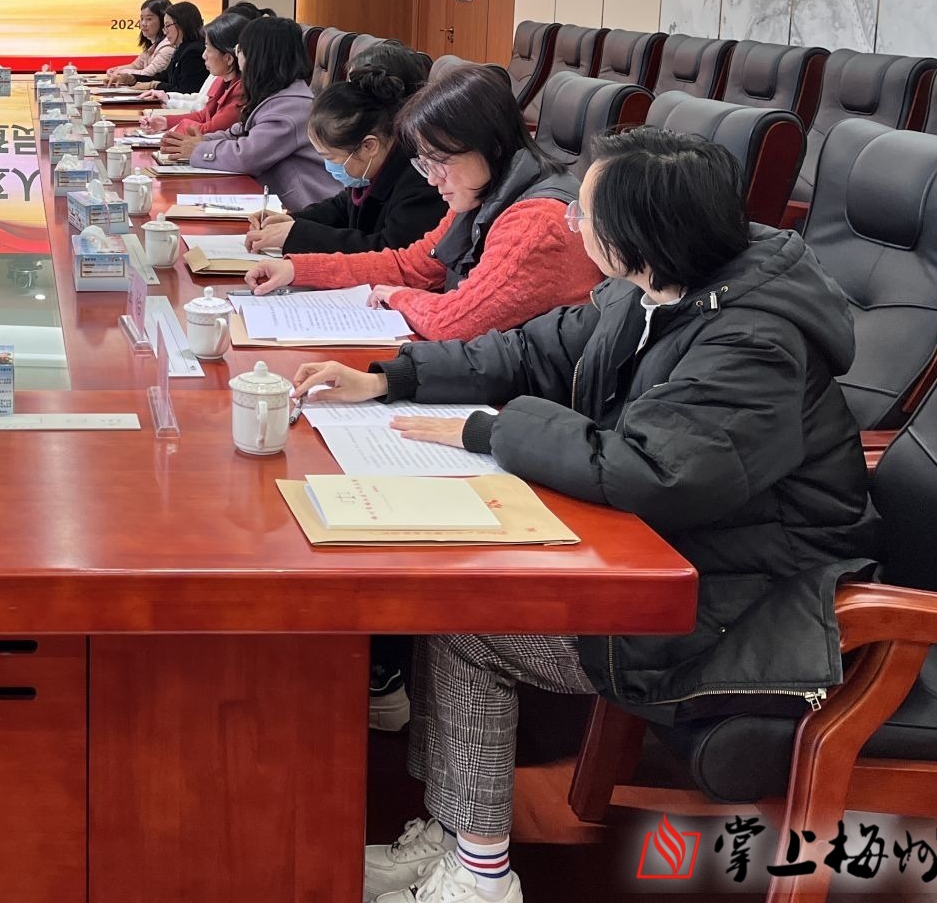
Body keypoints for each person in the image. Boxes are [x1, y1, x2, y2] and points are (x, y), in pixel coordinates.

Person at [292, 129, 878, 903]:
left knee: (471, 625)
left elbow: (655, 472)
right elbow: (532, 353)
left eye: (584, 214)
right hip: (681, 554)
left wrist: (492, 430)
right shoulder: (651, 287)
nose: (570, 225)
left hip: (754, 599)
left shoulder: (753, 340)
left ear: (638, 230)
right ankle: (453, 831)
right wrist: (389, 378)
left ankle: (480, 875)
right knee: (457, 606)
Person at [244, 64, 601, 341]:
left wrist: (397, 297)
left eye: (440, 162)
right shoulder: (483, 193)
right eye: (425, 164)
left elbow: (455, 322)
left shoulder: (537, 222)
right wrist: (298, 270)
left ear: (490, 146)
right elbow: (412, 266)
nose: (431, 179)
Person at [246, 43, 446, 257]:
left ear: (369, 146)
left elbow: (389, 252)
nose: (351, 95)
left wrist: (299, 235)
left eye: (330, 157)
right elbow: (344, 207)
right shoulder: (374, 161)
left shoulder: (422, 178)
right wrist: (294, 221)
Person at [183, 16, 336, 209]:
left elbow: (247, 156)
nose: (238, 57)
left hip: (305, 210)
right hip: (278, 203)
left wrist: (199, 149)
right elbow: (238, 132)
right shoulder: (275, 94)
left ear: (257, 57)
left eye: (240, 50)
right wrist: (201, 141)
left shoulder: (291, 107)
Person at [150, 7, 247, 153]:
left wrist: (178, 128)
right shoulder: (222, 80)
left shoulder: (241, 89)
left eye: (208, 49)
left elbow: (212, 129)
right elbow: (203, 115)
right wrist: (166, 121)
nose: (204, 55)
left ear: (228, 58)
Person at [105, 0, 174, 85]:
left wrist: (121, 73)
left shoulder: (168, 46)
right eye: (141, 19)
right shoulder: (153, 44)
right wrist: (117, 69)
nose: (143, 24)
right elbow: (136, 66)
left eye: (149, 19)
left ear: (164, 21)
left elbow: (147, 75)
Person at [154, 1, 209, 98]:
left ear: (182, 24)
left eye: (167, 26)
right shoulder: (181, 49)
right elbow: (163, 77)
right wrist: (134, 79)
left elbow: (185, 91)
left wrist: (154, 85)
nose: (165, 32)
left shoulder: (193, 52)